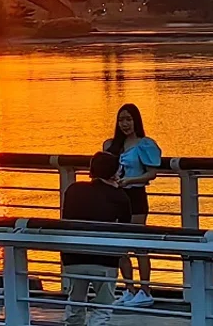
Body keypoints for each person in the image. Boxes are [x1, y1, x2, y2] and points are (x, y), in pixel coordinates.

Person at [61, 152, 132, 326]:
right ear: (115, 173)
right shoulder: (120, 197)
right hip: (104, 258)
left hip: (73, 257)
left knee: (75, 304)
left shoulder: (74, 189)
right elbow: (126, 228)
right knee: (103, 307)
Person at [103, 103, 161, 308]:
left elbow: (152, 173)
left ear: (136, 120)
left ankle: (145, 290)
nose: (125, 124)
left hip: (135, 195)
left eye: (128, 119)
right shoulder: (111, 145)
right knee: (118, 246)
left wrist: (129, 180)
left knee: (139, 245)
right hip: (117, 197)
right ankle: (129, 288)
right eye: (121, 120)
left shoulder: (145, 144)